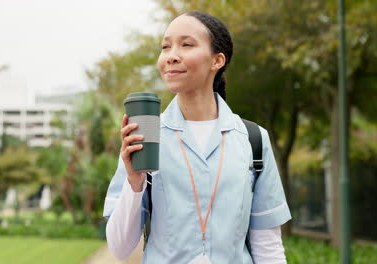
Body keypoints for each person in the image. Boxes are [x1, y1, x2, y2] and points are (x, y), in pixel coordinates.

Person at [103, 11, 291, 264]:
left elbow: (268, 247)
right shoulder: (145, 137)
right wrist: (134, 182)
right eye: (166, 47)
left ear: (217, 60)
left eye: (187, 44)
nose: (171, 56)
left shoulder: (253, 140)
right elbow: (120, 248)